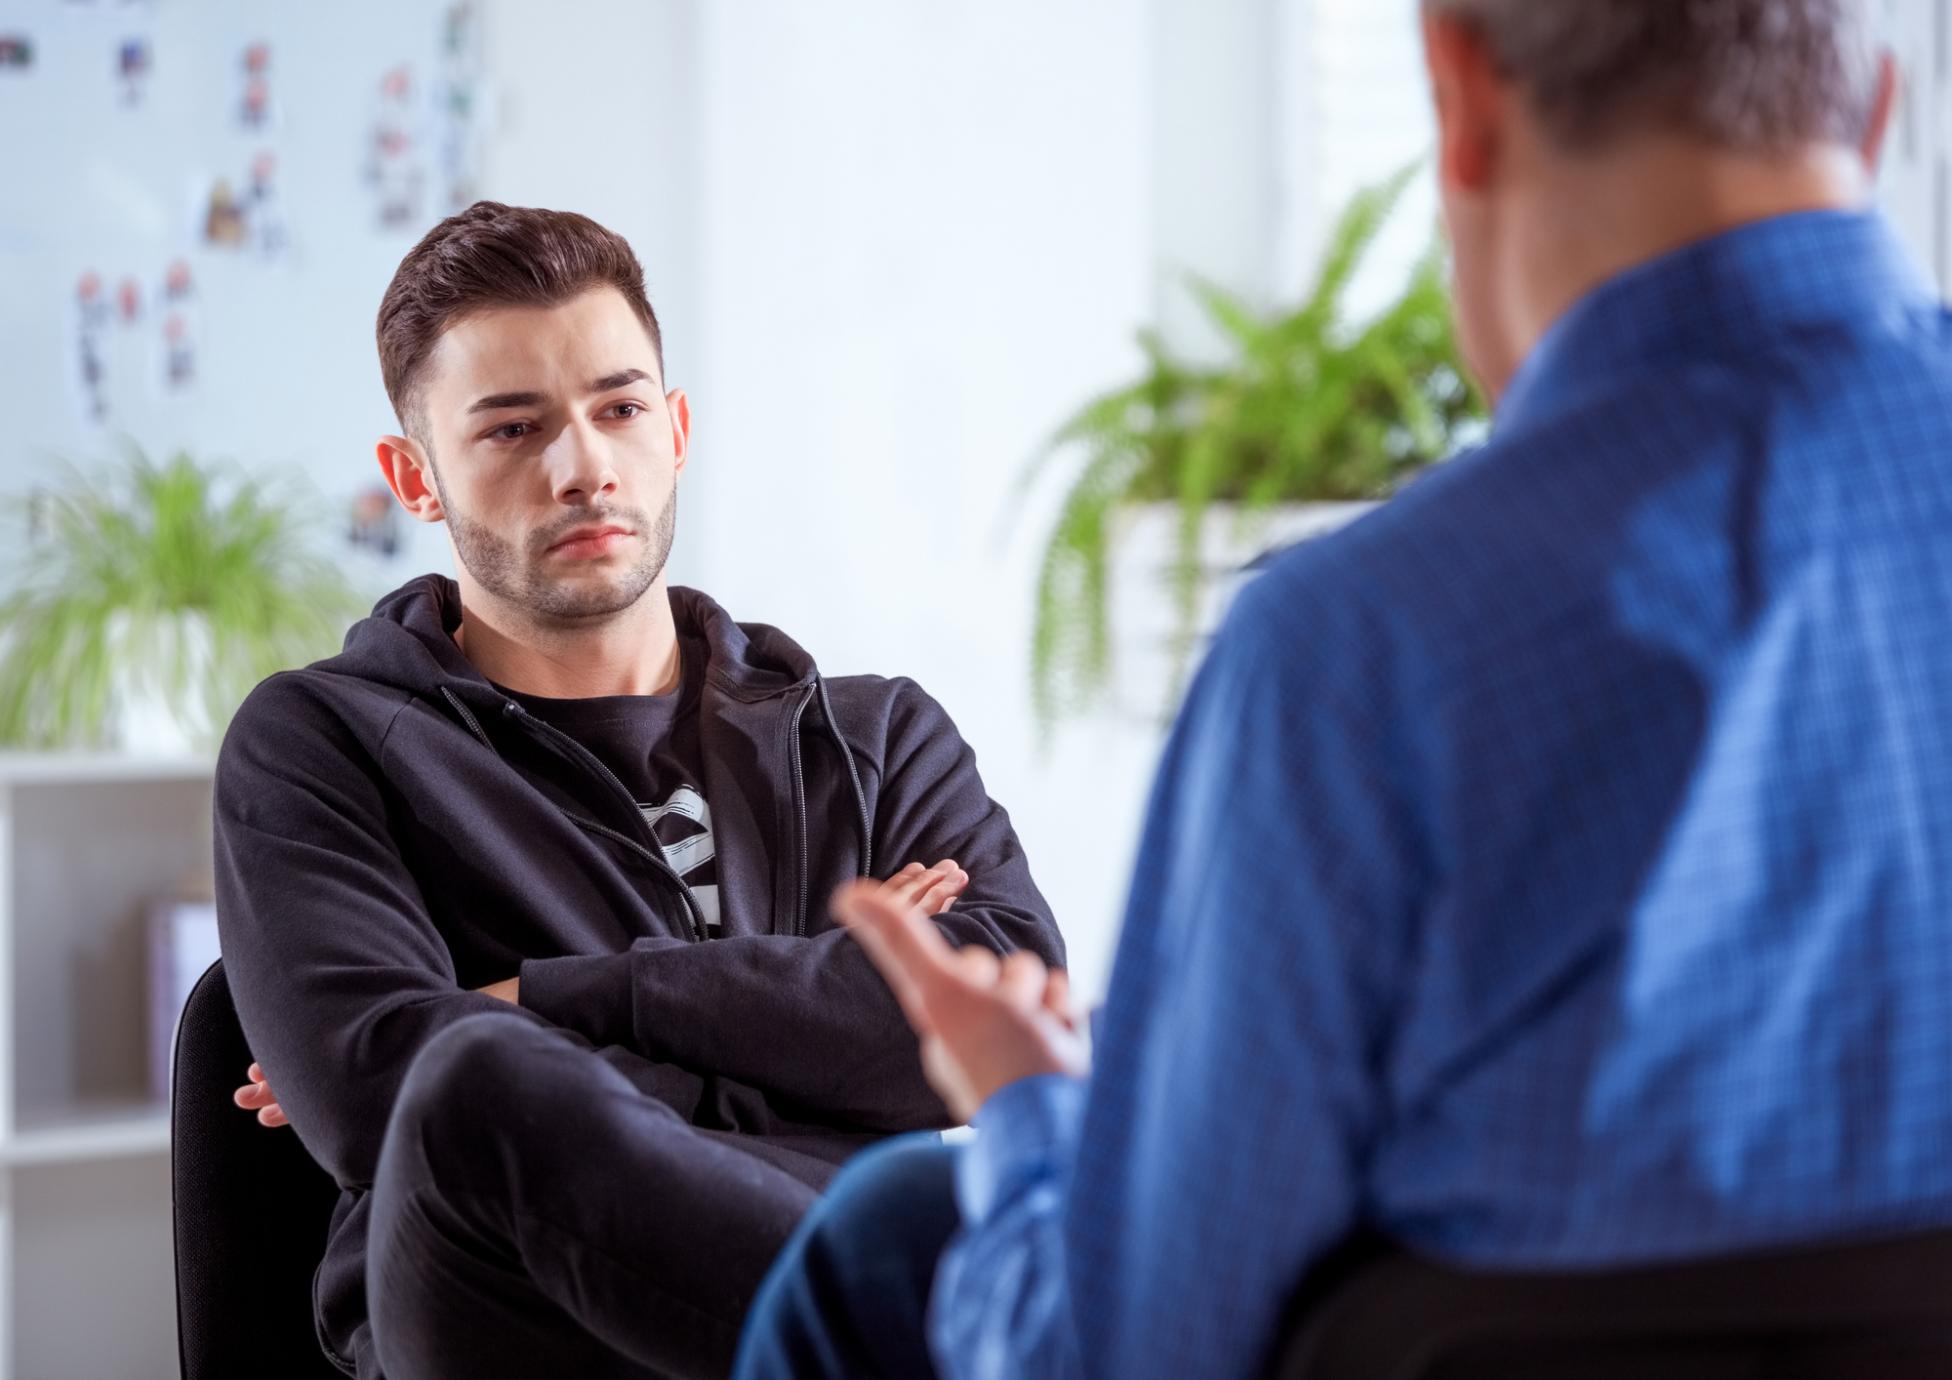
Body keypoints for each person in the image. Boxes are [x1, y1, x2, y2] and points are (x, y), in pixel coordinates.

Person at [731, 2, 1952, 1377]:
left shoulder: (1359, 648)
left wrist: (1018, 1109)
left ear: (1461, 87)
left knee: (891, 1234)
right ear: (1874, 109)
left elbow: (1127, 1356)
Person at [211, 201, 1066, 1380]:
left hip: (851, 1261)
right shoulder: (320, 739)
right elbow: (370, 1094)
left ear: (673, 429)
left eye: (616, 410)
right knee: (473, 1086)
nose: (581, 469)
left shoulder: (873, 734)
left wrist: (552, 996)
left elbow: (1009, 1003)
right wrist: (815, 1013)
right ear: (415, 477)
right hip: (528, 1329)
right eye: (511, 431)